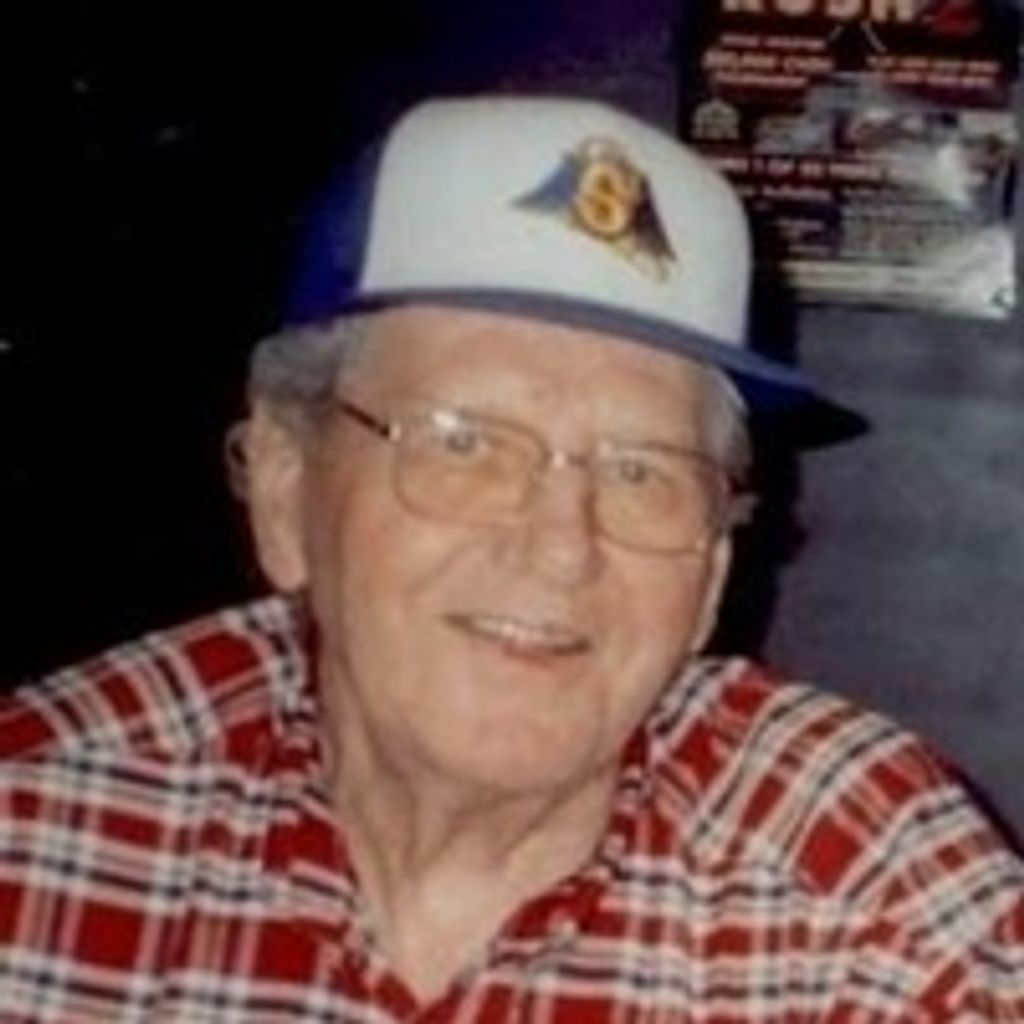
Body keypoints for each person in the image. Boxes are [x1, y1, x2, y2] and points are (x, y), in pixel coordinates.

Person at [0, 96, 1021, 1022]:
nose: (561, 547)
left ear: (711, 570)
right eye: (464, 445)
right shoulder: (39, 831)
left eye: (641, 471)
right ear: (284, 487)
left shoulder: (864, 886)